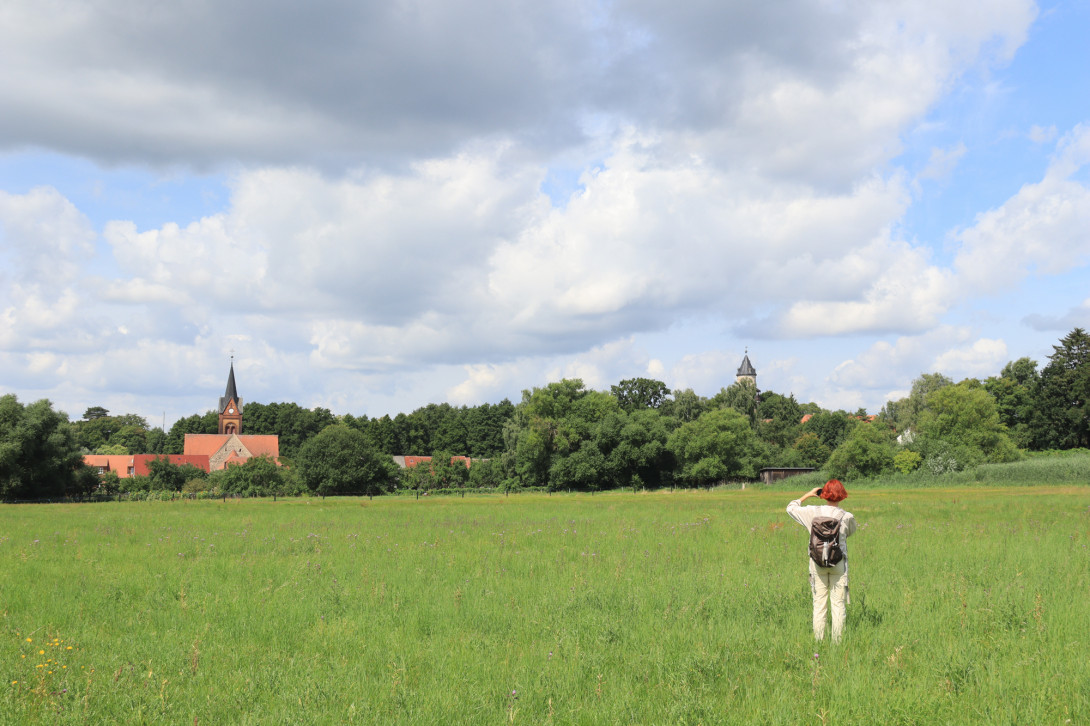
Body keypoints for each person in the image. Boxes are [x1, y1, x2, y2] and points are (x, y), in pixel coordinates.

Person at [786, 480, 858, 643]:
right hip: (838, 563)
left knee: (819, 604)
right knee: (838, 604)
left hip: (817, 563)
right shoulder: (847, 516)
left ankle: (818, 642)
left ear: (823, 494)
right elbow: (851, 532)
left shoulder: (811, 512)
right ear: (842, 495)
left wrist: (807, 495)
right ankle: (837, 643)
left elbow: (790, 508)